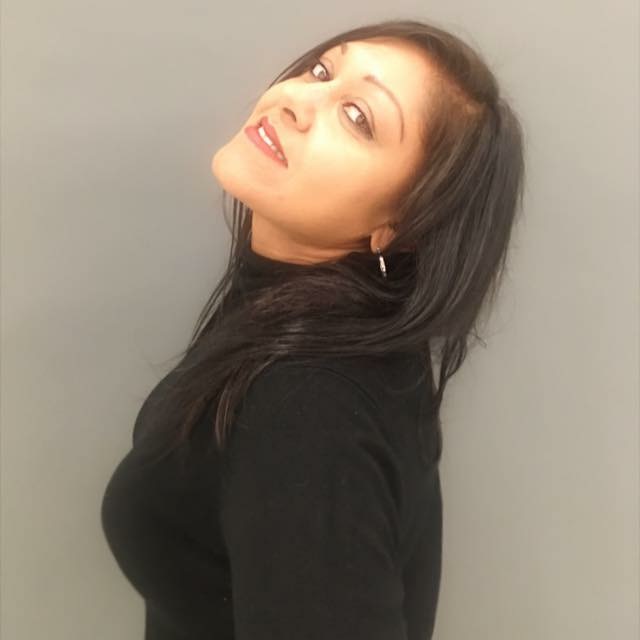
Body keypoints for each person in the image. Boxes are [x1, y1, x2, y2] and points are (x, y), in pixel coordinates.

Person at [101, 17, 525, 640]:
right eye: (322, 70)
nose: (297, 100)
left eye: (358, 117)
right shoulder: (318, 325)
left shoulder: (308, 412)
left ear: (399, 226)